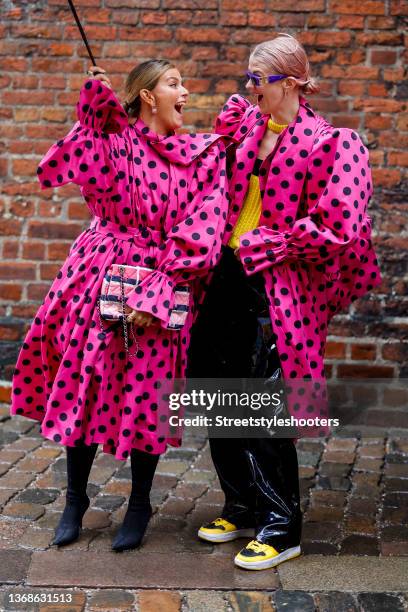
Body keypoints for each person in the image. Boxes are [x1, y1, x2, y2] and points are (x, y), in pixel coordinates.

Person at [11, 60, 229, 552]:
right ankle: (73, 500)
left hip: (164, 278)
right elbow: (80, 161)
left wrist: (161, 286)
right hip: (99, 273)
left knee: (150, 392)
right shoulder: (116, 141)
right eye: (175, 83)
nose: (186, 92)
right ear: (148, 96)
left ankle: (140, 504)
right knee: (86, 379)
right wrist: (93, 113)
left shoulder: (203, 155)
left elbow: (206, 225)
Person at [188, 33, 381, 570]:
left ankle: (280, 526)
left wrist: (272, 242)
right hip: (224, 273)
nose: (250, 88)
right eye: (248, 77)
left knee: (261, 396)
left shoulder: (331, 143)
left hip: (277, 282)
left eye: (260, 79)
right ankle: (241, 503)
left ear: (292, 83)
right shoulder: (245, 130)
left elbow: (340, 223)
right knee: (211, 385)